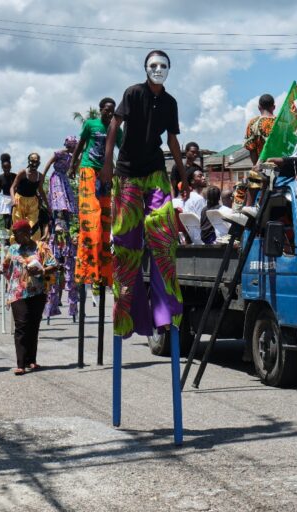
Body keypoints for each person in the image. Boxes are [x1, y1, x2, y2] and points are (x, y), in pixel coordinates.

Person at [100, 49, 185, 338]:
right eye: (153, 65)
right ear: (146, 69)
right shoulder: (133, 93)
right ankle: (127, 315)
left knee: (163, 237)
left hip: (155, 171)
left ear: (169, 70)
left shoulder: (170, 102)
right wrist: (107, 163)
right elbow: (114, 125)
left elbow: (173, 139)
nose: (158, 69)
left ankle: (165, 313)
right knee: (127, 246)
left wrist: (182, 171)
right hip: (127, 174)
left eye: (163, 65)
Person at [0, 220, 57, 375]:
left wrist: (41, 271)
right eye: (13, 233)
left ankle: (31, 360)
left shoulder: (41, 247)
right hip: (18, 293)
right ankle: (21, 363)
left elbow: (53, 265)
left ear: (26, 233)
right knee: (21, 326)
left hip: (37, 293)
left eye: (16, 233)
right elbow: (3, 268)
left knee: (33, 326)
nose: (14, 236)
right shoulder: (14, 249)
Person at [70, 97, 122, 289]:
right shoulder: (91, 124)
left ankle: (103, 270)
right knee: (91, 219)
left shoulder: (115, 128)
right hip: (89, 170)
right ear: (100, 110)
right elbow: (80, 145)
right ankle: (87, 267)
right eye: (107, 110)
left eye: (112, 110)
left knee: (105, 220)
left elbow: (123, 149)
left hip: (106, 174)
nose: (109, 113)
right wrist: (72, 165)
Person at [10, 153, 49, 241]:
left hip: (32, 202)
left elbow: (41, 191)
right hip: (19, 200)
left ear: (39, 163)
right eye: (32, 161)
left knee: (33, 225)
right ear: (29, 161)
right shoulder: (23, 173)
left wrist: (48, 205)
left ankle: (33, 246)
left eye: (36, 161)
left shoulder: (40, 176)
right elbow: (12, 187)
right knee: (18, 225)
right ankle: (16, 247)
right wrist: (13, 200)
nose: (34, 163)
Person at [42, 136, 78, 227]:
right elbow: (49, 163)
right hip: (56, 178)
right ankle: (56, 222)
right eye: (74, 147)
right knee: (59, 198)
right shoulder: (59, 153)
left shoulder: (72, 157)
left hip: (64, 178)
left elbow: (73, 170)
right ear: (70, 146)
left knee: (67, 201)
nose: (75, 149)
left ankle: (65, 223)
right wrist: (43, 176)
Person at [244, 94, 276, 165]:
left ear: (259, 107)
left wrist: (256, 166)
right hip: (282, 168)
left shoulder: (253, 123)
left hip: (262, 167)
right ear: (274, 107)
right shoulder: (281, 123)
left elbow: (252, 149)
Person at [0, 153, 16, 229]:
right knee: (7, 220)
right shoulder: (0, 178)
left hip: (15, 199)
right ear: (2, 167)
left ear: (11, 166)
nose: (6, 169)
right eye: (5, 167)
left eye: (8, 167)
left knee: (14, 218)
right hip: (6, 200)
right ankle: (7, 237)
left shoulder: (15, 176)